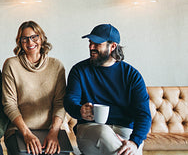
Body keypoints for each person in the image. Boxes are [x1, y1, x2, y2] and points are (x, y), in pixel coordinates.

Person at [64, 24, 151, 155]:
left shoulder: (132, 75)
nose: (91, 47)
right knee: (104, 133)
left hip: (125, 130)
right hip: (90, 129)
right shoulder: (79, 70)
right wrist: (79, 110)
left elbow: (144, 115)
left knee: (132, 148)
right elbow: (70, 101)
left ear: (113, 46)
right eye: (90, 42)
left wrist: (134, 142)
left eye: (97, 44)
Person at [2, 21, 66, 155]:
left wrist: (54, 132)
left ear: (41, 38)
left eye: (34, 37)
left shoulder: (57, 66)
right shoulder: (11, 65)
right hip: (19, 130)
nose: (30, 42)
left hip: (51, 130)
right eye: (24, 38)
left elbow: (60, 103)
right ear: (19, 42)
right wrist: (26, 134)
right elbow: (9, 104)